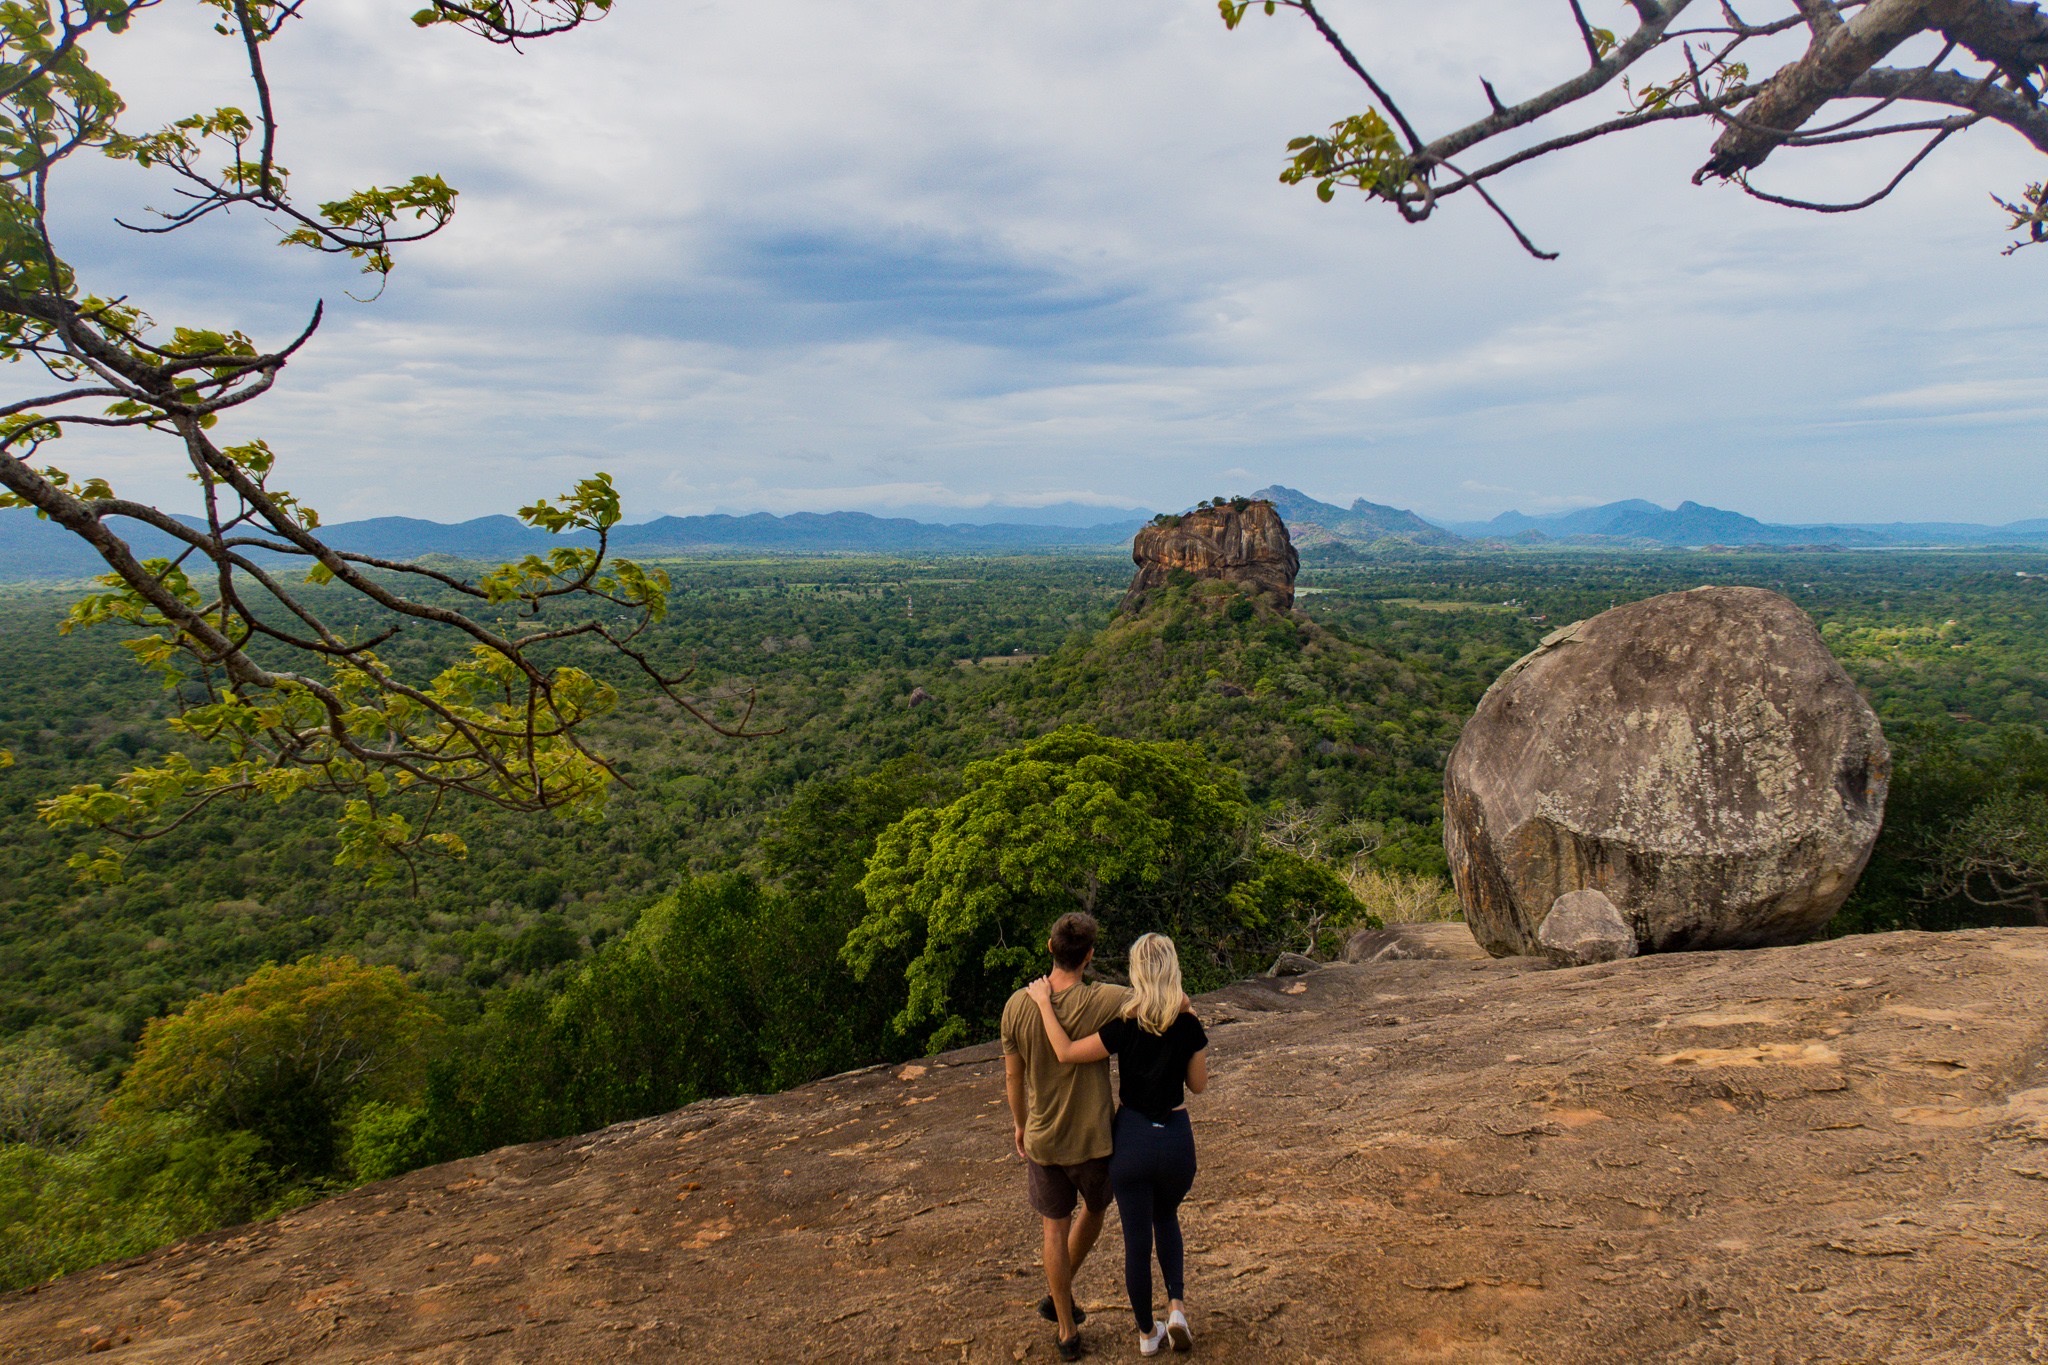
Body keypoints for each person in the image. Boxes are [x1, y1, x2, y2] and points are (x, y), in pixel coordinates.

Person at [1027, 932, 1208, 1357]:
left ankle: (1148, 1333)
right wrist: (1189, 1014)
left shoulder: (1125, 1023)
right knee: (1167, 1217)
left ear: (1136, 972)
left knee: (1135, 1240)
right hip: (1176, 1141)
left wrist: (1042, 1004)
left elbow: (1067, 1052)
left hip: (1132, 1141)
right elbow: (1198, 1086)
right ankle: (1177, 1307)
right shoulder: (1188, 1023)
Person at [1001, 912, 1129, 1361]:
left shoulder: (1018, 1004)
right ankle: (1060, 1297)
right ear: (1089, 955)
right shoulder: (1105, 1000)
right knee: (1094, 1210)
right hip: (1092, 1139)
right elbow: (1164, 1001)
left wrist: (1020, 1123)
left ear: (1050, 948)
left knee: (1052, 1229)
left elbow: (1013, 1079)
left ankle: (1066, 1328)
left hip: (1043, 1137)